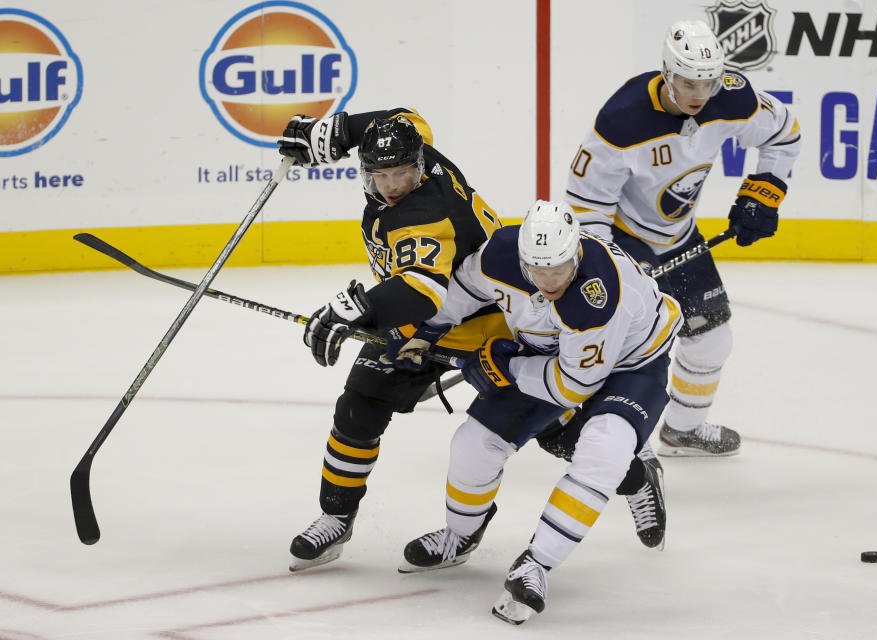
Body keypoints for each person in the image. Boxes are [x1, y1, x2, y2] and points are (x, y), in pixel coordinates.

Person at [398, 201, 681, 625]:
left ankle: (537, 564)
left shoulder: (595, 294)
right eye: (538, 271)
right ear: (523, 259)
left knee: (604, 449)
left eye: (559, 270)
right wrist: (424, 331)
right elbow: (462, 289)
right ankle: (459, 537)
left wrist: (505, 367)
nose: (549, 282)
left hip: (633, 361)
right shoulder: (500, 253)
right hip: (554, 354)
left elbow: (574, 386)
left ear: (576, 254)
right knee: (474, 444)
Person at [276, 108, 512, 571]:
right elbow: (401, 116)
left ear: (418, 166)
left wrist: (357, 308)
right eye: (380, 175)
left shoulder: (424, 212)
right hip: (417, 321)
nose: (391, 185)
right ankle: (336, 518)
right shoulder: (417, 143)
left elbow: (424, 290)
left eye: (402, 173)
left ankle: (632, 471)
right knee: (358, 406)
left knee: (542, 424)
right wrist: (336, 132)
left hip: (488, 323)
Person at [564, 20, 801, 456]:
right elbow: (585, 209)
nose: (698, 94)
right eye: (689, 82)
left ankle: (683, 429)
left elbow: (784, 133)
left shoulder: (731, 97)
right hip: (622, 239)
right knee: (622, 348)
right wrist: (616, 267)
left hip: (679, 238)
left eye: (707, 83)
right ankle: (605, 438)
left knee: (712, 337)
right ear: (667, 73)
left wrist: (762, 195)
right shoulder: (622, 120)